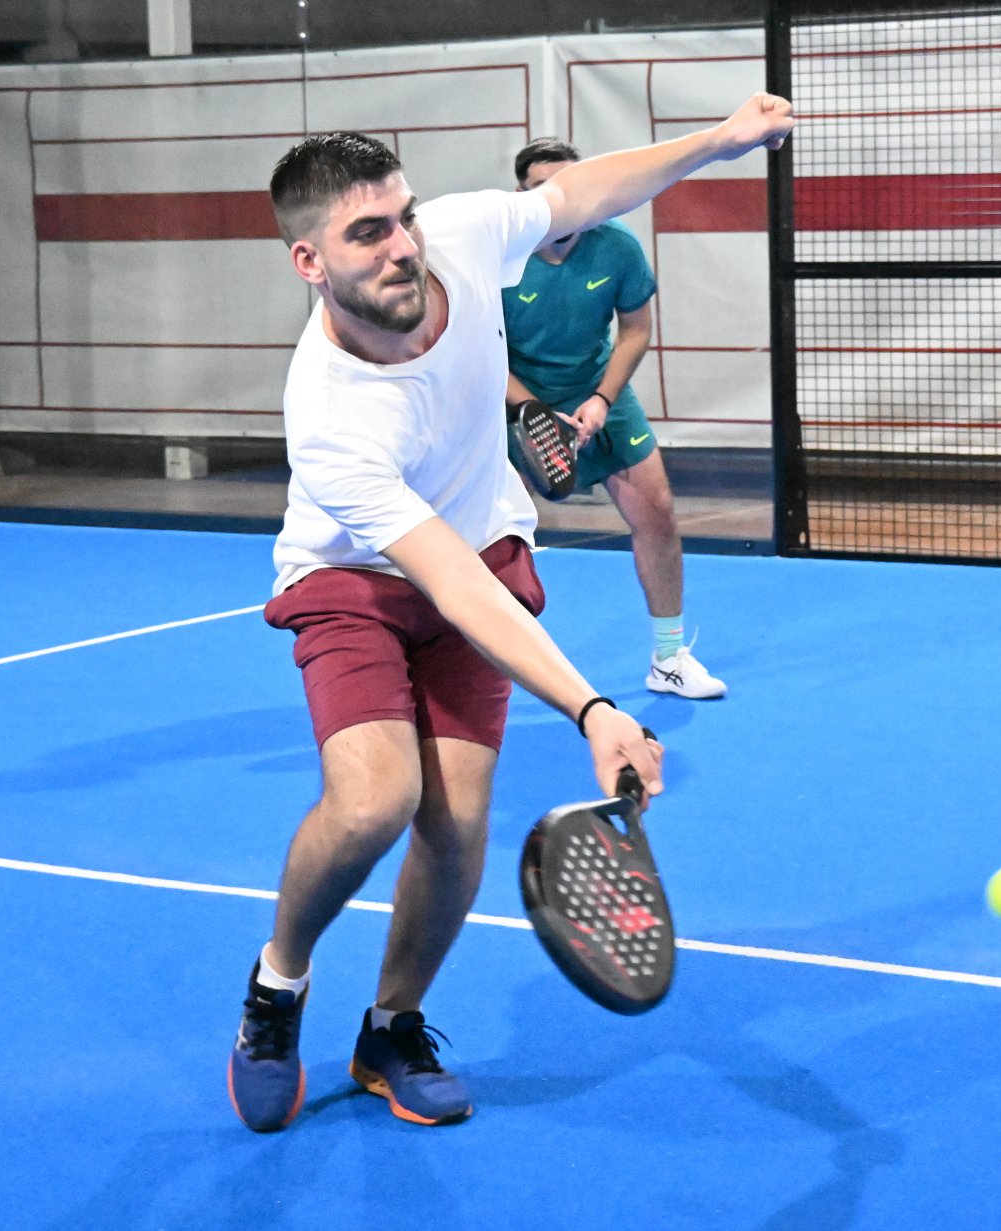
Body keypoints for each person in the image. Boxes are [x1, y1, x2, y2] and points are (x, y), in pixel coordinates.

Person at [228, 92, 797, 1134]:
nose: (403, 245)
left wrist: (717, 142)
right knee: (374, 801)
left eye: (403, 216)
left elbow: (589, 190)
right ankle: (279, 983)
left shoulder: (463, 235)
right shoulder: (331, 414)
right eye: (368, 232)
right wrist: (593, 709)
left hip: (481, 544)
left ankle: (391, 1025)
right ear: (308, 261)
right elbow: (445, 583)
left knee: (456, 823)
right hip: (357, 581)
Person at [504, 138, 726, 700]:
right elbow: (478, 351)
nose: (557, 197)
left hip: (598, 388)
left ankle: (669, 659)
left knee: (657, 512)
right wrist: (534, 413)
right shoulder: (498, 257)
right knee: (490, 534)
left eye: (567, 184)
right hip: (511, 396)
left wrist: (603, 398)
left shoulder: (618, 247)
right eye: (541, 188)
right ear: (522, 195)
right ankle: (484, 665)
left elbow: (634, 330)